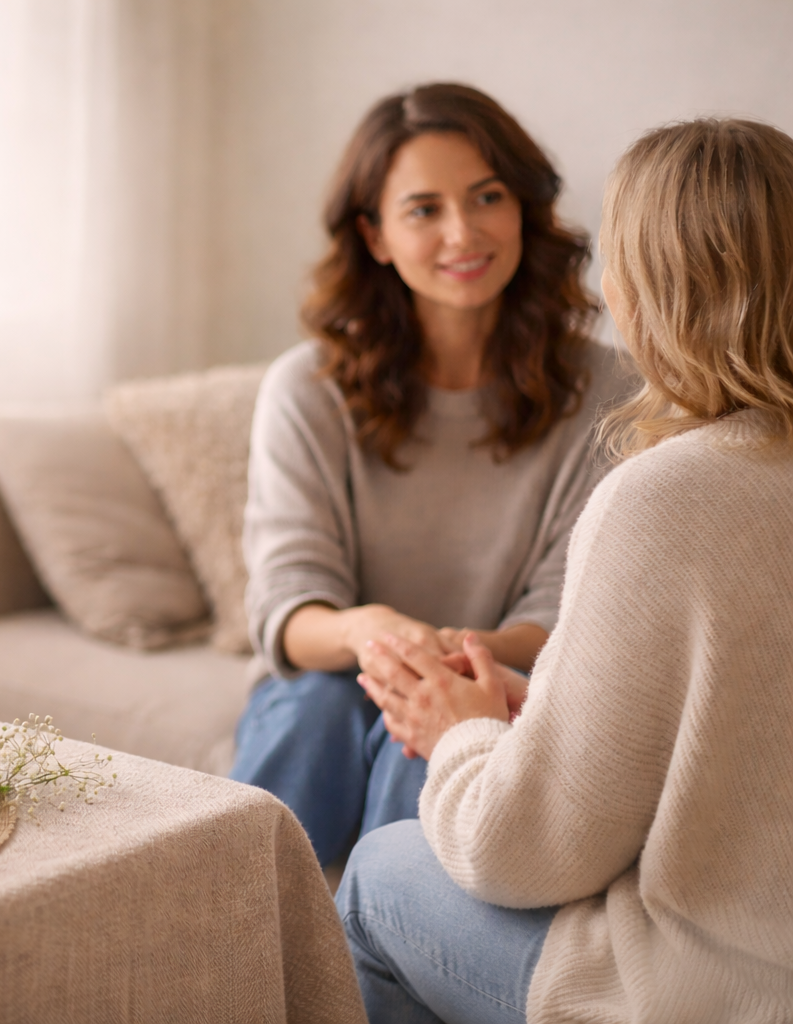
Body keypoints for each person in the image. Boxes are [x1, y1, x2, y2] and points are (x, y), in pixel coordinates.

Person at [340, 117, 793, 1023]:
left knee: (378, 870)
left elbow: (523, 853)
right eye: (423, 208)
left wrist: (460, 735)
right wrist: (540, 704)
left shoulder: (664, 494)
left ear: (643, 291)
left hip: (713, 986)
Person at [232, 82, 635, 865]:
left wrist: (446, 667)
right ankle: (218, 954)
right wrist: (375, 633)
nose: (463, 232)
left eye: (487, 196)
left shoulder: (612, 392)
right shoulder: (304, 390)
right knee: (313, 708)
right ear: (375, 235)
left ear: (524, 208)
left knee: (433, 727)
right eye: (423, 209)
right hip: (328, 683)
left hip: (501, 685)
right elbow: (288, 609)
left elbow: (566, 614)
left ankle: (382, 969)